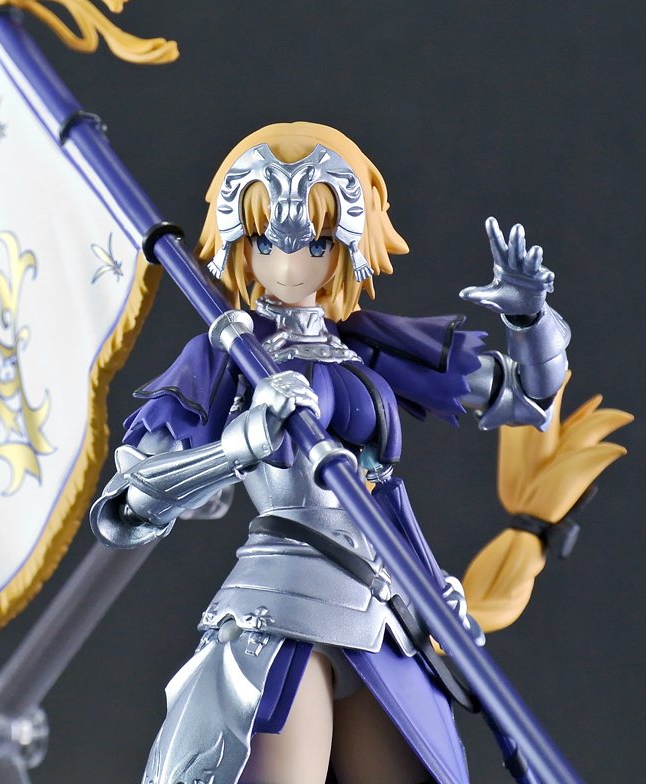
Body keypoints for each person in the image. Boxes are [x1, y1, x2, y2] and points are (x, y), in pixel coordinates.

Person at [89, 122, 572, 784]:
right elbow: (126, 507)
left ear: (348, 242)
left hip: (389, 608)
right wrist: (240, 444)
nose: (289, 266)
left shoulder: (364, 345)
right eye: (266, 242)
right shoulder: (228, 355)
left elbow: (525, 397)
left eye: (315, 242)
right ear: (239, 243)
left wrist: (530, 320)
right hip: (281, 605)